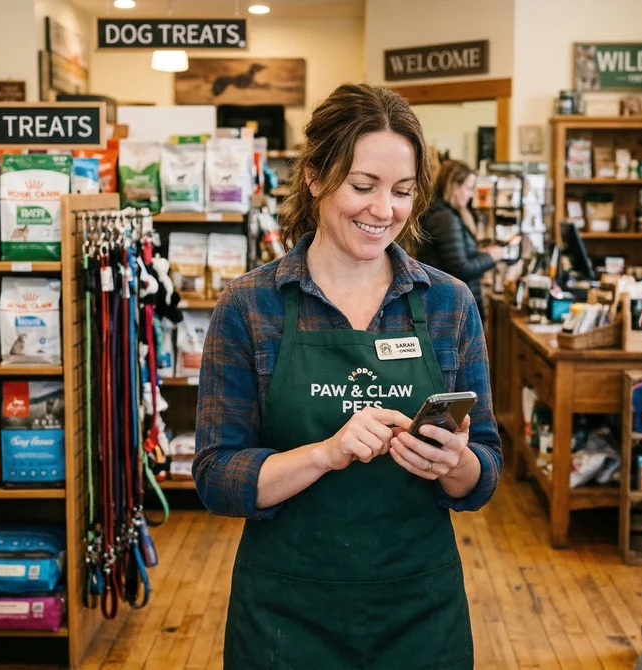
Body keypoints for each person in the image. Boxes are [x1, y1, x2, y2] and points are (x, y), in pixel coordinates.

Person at [193, 82, 502, 670]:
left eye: (402, 191)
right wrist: (325, 454)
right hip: (286, 618)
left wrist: (455, 463)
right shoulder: (251, 307)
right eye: (363, 186)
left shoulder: (448, 304)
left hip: (420, 613)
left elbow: (484, 469)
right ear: (314, 176)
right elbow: (217, 477)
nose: (383, 210)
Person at [416, 159, 506, 320]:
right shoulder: (445, 218)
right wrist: (493, 256)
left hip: (449, 304)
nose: (472, 195)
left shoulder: (445, 215)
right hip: (452, 307)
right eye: (469, 188)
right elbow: (460, 269)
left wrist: (480, 253)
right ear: (454, 185)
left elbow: (451, 258)